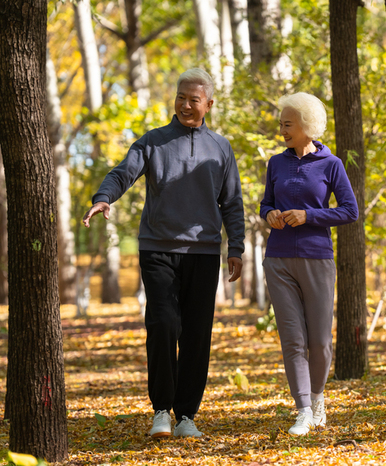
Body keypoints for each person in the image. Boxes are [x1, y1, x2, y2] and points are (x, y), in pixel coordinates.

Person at [82, 68, 245, 438]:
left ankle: (186, 416)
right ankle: (161, 410)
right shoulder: (153, 142)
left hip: (203, 252)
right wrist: (103, 199)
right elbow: (122, 173)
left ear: (209, 104)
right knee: (163, 324)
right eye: (181, 97)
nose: (186, 105)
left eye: (194, 99)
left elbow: (232, 202)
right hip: (158, 248)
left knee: (196, 333)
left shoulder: (221, 147)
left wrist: (236, 245)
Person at [260, 92, 359, 435]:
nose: (282, 129)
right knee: (292, 339)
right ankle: (303, 409)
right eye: (282, 123)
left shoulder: (331, 165)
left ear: (306, 126)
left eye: (287, 124)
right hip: (278, 259)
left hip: (317, 258)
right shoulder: (276, 163)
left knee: (318, 341)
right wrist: (269, 213)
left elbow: (350, 210)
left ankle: (317, 398)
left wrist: (309, 216)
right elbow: (265, 204)